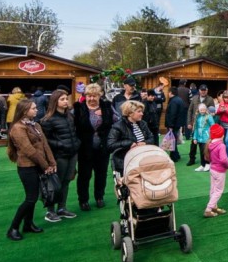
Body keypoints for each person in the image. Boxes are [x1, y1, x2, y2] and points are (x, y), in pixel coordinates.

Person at [6, 99, 56, 241]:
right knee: (31, 198)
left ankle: (28, 224)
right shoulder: (18, 128)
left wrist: (52, 162)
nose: (37, 110)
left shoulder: (35, 125)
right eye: (33, 108)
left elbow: (45, 145)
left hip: (38, 165)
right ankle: (13, 228)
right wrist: (46, 166)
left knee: (32, 198)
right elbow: (29, 150)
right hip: (27, 167)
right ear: (24, 111)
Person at [74, 83, 117, 211]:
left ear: (99, 96)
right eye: (89, 96)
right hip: (84, 148)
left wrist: (105, 115)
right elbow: (72, 126)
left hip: (102, 148)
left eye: (95, 96)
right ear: (85, 96)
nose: (92, 98)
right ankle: (83, 200)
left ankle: (99, 197)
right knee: (84, 175)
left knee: (101, 174)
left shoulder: (107, 106)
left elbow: (118, 120)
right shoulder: (78, 108)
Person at [40, 90, 80, 222]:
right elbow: (45, 140)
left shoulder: (69, 116)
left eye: (66, 99)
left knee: (66, 181)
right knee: (55, 183)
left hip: (72, 153)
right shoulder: (48, 119)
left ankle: (62, 208)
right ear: (55, 101)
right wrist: (60, 144)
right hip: (59, 155)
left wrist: (76, 143)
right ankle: (50, 211)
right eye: (62, 99)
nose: (65, 101)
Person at [107, 100, 154, 171]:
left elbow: (151, 138)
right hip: (125, 161)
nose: (142, 114)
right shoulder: (118, 126)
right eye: (139, 111)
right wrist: (129, 143)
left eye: (142, 111)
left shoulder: (143, 123)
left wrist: (145, 143)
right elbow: (110, 145)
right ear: (130, 113)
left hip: (143, 160)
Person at [203, 124, 228, 218]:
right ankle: (208, 209)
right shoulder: (221, 145)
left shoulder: (210, 144)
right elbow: (223, 159)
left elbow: (207, 157)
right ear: (222, 135)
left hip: (212, 169)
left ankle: (214, 206)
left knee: (213, 189)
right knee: (218, 191)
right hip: (219, 171)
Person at [186, 84, 215, 166]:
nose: (203, 92)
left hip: (205, 126)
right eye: (202, 90)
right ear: (199, 90)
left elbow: (212, 111)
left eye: (204, 90)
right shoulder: (194, 98)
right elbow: (190, 110)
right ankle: (192, 159)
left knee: (204, 145)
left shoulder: (210, 99)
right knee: (193, 143)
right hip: (195, 124)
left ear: (207, 90)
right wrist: (189, 122)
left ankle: (206, 161)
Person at [165, 87, 186, 162]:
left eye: (168, 92)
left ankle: (174, 156)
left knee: (172, 140)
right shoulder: (180, 100)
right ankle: (176, 155)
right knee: (174, 139)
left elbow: (172, 114)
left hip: (173, 124)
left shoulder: (173, 101)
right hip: (178, 123)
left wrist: (170, 125)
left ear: (171, 92)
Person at [192, 103, 215, 172]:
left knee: (206, 152)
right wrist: (195, 138)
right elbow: (196, 128)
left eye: (203, 109)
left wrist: (211, 136)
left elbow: (213, 126)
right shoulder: (197, 117)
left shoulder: (209, 116)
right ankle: (202, 164)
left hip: (206, 137)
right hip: (200, 137)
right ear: (199, 110)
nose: (202, 111)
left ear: (206, 109)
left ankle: (208, 164)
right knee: (201, 151)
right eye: (201, 110)